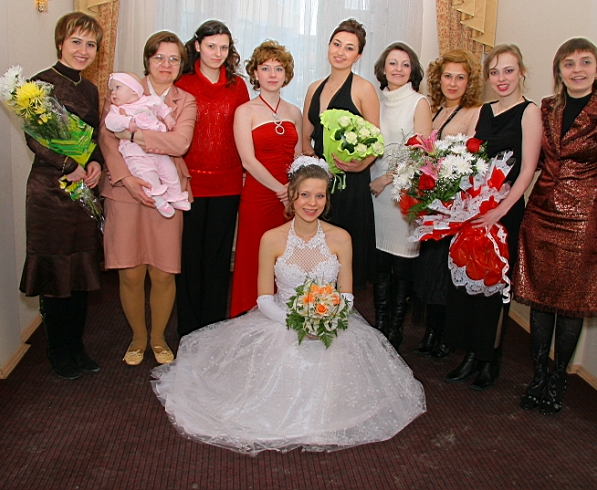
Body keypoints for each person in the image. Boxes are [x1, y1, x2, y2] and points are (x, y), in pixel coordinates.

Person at [151, 157, 426, 455]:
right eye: (305, 194)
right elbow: (263, 299)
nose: (312, 203)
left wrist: (326, 321)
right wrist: (299, 323)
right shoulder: (272, 239)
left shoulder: (341, 238)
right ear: (292, 195)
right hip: (281, 320)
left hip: (330, 323)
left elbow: (346, 296)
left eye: (319, 196)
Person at [515, 38, 597, 414]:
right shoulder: (546, 108)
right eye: (569, 63)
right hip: (540, 215)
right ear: (558, 72)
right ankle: (538, 375)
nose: (577, 69)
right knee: (539, 300)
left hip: (583, 222)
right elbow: (532, 160)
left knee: (570, 305)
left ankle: (558, 378)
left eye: (585, 62)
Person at [442, 44, 541, 391]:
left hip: (505, 212)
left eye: (508, 71)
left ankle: (490, 359)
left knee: (496, 287)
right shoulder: (484, 111)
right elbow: (471, 162)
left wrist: (501, 209)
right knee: (470, 281)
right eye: (495, 72)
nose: (501, 78)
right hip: (477, 209)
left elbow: (527, 170)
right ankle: (471, 353)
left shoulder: (529, 112)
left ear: (522, 73)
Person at [99, 31, 197, 366]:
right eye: (159, 58)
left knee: (163, 272)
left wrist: (131, 133)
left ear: (181, 64)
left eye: (174, 59)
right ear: (147, 60)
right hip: (124, 191)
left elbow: (180, 143)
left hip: (167, 191)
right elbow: (106, 139)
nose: (166, 65)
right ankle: (138, 337)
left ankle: (158, 338)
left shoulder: (185, 101)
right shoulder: (122, 88)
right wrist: (127, 180)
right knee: (130, 272)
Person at [19, 12, 104, 379]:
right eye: (76, 42)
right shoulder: (39, 84)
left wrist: (97, 162)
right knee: (56, 274)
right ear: (60, 43)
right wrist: (69, 165)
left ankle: (76, 345)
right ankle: (58, 349)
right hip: (49, 192)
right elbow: (35, 139)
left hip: (82, 191)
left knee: (81, 270)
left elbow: (94, 137)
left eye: (90, 44)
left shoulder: (91, 89)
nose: (83, 50)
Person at [174, 20, 249, 335]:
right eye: (211, 46)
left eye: (223, 47)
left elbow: (244, 132)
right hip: (189, 184)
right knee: (189, 258)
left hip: (228, 184)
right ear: (197, 46)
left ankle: (213, 329)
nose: (217, 53)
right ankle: (188, 329)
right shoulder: (182, 83)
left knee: (218, 259)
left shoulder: (238, 86)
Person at [412, 50, 483, 359]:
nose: (453, 83)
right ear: (438, 79)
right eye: (447, 76)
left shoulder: (475, 112)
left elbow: (473, 159)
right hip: (433, 202)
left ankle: (444, 335)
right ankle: (431, 330)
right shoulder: (436, 110)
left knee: (445, 272)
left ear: (470, 82)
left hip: (456, 205)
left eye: (460, 77)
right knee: (429, 269)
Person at [302, 18, 380, 293]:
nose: (340, 52)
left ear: (358, 56)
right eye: (336, 44)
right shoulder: (314, 88)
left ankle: (341, 306)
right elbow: (305, 136)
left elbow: (376, 141)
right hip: (318, 183)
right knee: (315, 253)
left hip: (351, 183)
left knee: (344, 256)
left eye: (349, 48)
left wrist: (359, 166)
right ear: (328, 46)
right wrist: (312, 166)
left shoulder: (363, 89)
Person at [229, 40, 302, 317]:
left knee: (287, 260)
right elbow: (248, 160)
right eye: (265, 68)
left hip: (291, 198)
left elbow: (299, 157)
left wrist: (292, 190)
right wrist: (280, 189)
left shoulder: (294, 112)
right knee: (255, 257)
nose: (272, 74)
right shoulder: (245, 111)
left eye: (279, 68)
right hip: (259, 196)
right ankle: (250, 313)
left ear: (286, 74)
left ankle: (286, 316)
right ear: (255, 73)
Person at [368, 42, 431, 350]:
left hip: (402, 194)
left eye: (405, 64)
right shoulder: (375, 101)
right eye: (392, 63)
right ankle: (380, 325)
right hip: (374, 192)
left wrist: (386, 179)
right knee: (380, 264)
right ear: (382, 68)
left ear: (413, 70)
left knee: (403, 265)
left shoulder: (419, 102)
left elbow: (421, 154)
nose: (398, 69)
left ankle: (395, 329)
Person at [105, 72, 190, 218]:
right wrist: (126, 122)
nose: (113, 92)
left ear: (133, 90)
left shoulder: (149, 100)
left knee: (169, 171)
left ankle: (175, 196)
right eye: (111, 89)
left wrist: (168, 117)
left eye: (117, 87)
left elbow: (161, 108)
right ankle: (157, 199)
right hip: (135, 153)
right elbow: (110, 122)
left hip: (158, 151)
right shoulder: (116, 109)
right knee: (147, 174)